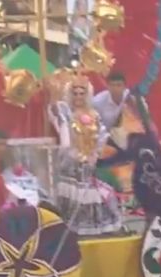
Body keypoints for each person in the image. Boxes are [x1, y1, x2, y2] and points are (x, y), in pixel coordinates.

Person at [47, 72, 123, 236]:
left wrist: (94, 155)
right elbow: (54, 111)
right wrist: (53, 94)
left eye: (82, 93)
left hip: (89, 165)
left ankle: (91, 235)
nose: (78, 96)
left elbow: (101, 137)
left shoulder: (94, 115)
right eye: (75, 93)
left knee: (93, 197)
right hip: (70, 166)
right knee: (73, 202)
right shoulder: (66, 113)